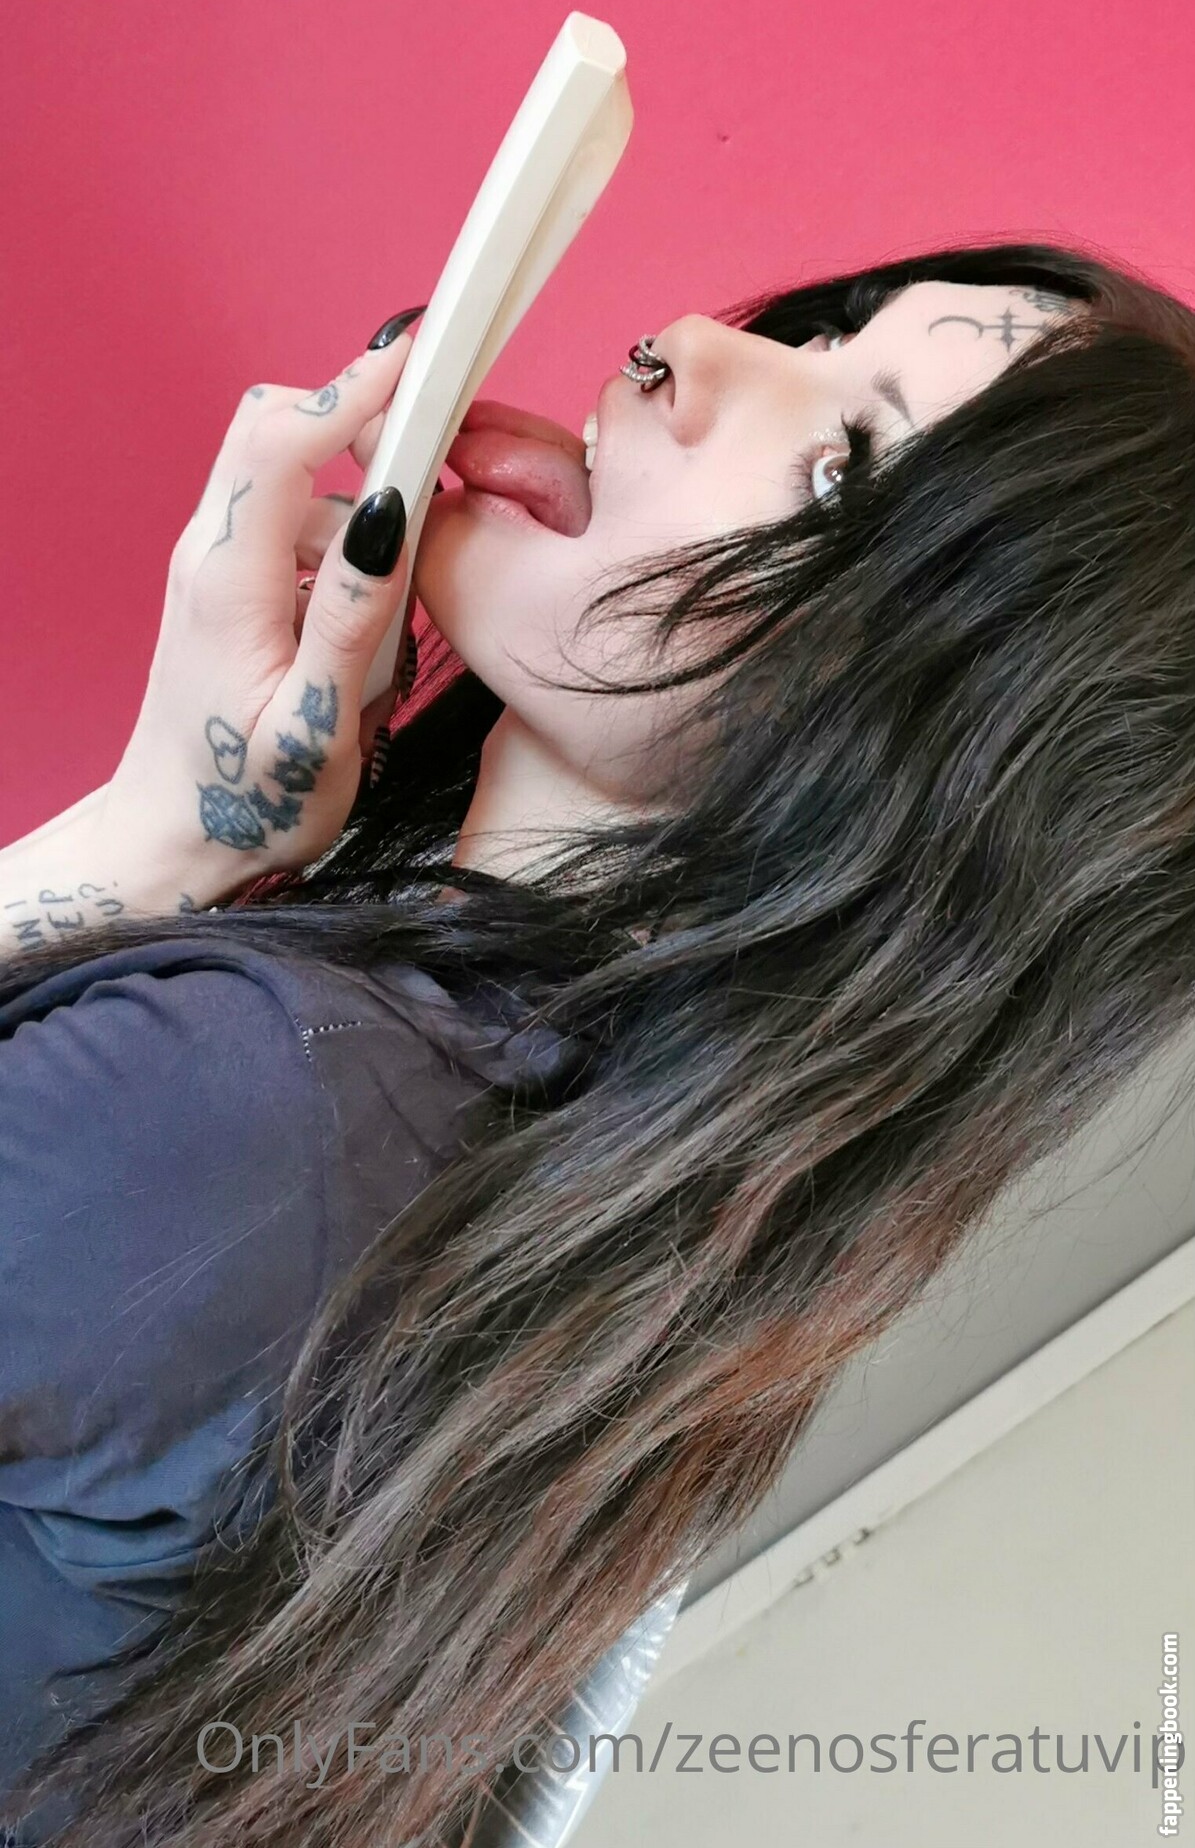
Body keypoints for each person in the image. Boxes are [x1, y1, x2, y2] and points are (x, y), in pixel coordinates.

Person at [2, 238, 1194, 1848]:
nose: (690, 345)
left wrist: (154, 835)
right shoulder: (583, 1288)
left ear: (903, 785)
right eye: (825, 334)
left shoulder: (266, 1112)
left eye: (844, 467)